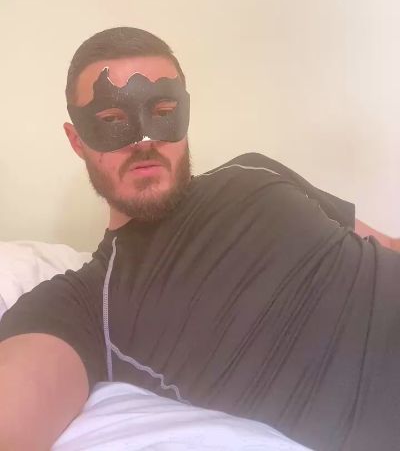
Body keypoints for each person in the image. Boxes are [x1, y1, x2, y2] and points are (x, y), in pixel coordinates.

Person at [0, 27, 399, 451]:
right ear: (76, 140)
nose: (145, 140)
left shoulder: (254, 172)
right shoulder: (88, 304)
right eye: (112, 120)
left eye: (163, 110)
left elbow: (388, 245)